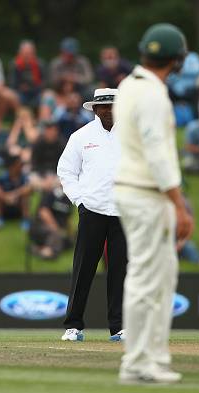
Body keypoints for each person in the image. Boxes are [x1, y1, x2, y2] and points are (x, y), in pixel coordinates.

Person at [113, 23, 194, 384]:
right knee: (147, 277)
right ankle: (136, 363)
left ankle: (155, 356)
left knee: (162, 277)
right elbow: (157, 153)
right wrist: (179, 203)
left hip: (139, 191)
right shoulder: (152, 94)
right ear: (177, 60)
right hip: (145, 193)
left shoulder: (130, 86)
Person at [57, 88, 127, 343]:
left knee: (120, 270)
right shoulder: (81, 136)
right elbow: (66, 171)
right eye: (103, 106)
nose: (108, 110)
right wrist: (80, 200)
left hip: (123, 211)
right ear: (95, 109)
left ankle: (118, 327)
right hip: (92, 211)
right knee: (83, 269)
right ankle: (73, 325)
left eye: (112, 105)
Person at [0, 155, 32, 230]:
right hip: (5, 206)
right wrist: (5, 196)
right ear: (13, 166)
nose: (21, 166)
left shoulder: (24, 177)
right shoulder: (3, 177)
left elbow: (29, 187)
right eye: (19, 164)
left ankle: (25, 220)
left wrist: (14, 195)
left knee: (25, 195)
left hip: (18, 207)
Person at [29, 185, 72, 260]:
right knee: (55, 234)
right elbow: (43, 212)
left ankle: (38, 249)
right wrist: (55, 227)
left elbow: (67, 219)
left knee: (69, 241)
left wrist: (69, 233)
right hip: (40, 226)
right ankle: (49, 252)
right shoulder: (50, 194)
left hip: (56, 230)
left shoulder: (69, 200)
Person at [9, 40, 45, 109]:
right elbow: (12, 84)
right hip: (20, 93)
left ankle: (42, 118)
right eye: (25, 53)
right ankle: (20, 117)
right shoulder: (15, 65)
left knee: (46, 96)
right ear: (20, 53)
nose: (27, 56)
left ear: (34, 53)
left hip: (36, 92)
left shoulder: (40, 64)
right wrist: (20, 87)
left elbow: (45, 82)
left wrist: (33, 88)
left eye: (29, 53)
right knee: (13, 96)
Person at [30, 120, 64, 191]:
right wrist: (44, 176)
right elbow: (35, 163)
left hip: (56, 175)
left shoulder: (62, 144)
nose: (51, 133)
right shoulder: (38, 143)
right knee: (32, 180)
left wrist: (52, 176)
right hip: (41, 175)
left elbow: (63, 164)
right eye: (48, 130)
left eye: (53, 130)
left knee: (63, 182)